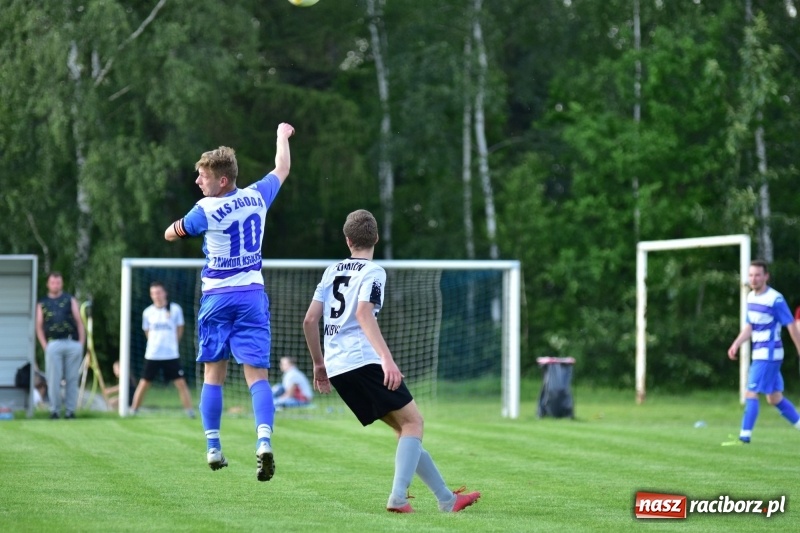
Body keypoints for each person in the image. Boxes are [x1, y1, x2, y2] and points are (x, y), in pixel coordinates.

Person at [302, 209, 481, 513]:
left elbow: (309, 320)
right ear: (376, 238)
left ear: (348, 240)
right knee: (415, 422)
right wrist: (387, 359)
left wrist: (319, 366)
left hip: (338, 366)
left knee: (404, 430)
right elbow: (362, 313)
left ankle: (446, 499)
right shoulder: (374, 272)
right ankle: (398, 497)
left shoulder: (331, 271)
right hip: (363, 361)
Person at [165, 122, 295, 481]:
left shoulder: (203, 209)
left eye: (202, 176)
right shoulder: (257, 195)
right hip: (252, 295)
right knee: (257, 377)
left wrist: (175, 227)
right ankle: (264, 441)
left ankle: (213, 447)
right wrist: (281, 135)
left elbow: (171, 234)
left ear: (222, 180)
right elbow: (282, 167)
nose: (198, 182)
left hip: (218, 297)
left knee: (213, 375)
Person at [724, 259, 800, 445]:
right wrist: (736, 343)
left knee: (751, 393)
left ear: (766, 276)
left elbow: (791, 325)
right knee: (774, 398)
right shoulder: (751, 297)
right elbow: (751, 326)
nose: (754, 278)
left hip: (768, 354)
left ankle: (744, 437)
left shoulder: (775, 299)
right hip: (760, 353)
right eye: (751, 275)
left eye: (758, 275)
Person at [131, 281, 195, 418]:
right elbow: (147, 331)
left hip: (171, 354)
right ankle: (133, 411)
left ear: (165, 293)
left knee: (181, 383)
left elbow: (180, 329)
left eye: (158, 292)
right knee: (144, 383)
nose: (156, 296)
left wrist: (173, 344)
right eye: (153, 293)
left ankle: (190, 412)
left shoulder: (175, 309)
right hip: (153, 354)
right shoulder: (147, 312)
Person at [35, 272, 85, 419]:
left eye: (58, 282)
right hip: (53, 343)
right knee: (53, 379)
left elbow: (79, 322)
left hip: (71, 343)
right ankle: (55, 410)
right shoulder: (42, 303)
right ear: (48, 284)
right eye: (53, 282)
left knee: (72, 378)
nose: (55, 285)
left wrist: (81, 343)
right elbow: (39, 326)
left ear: (61, 283)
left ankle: (70, 411)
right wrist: (45, 345)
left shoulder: (70, 299)